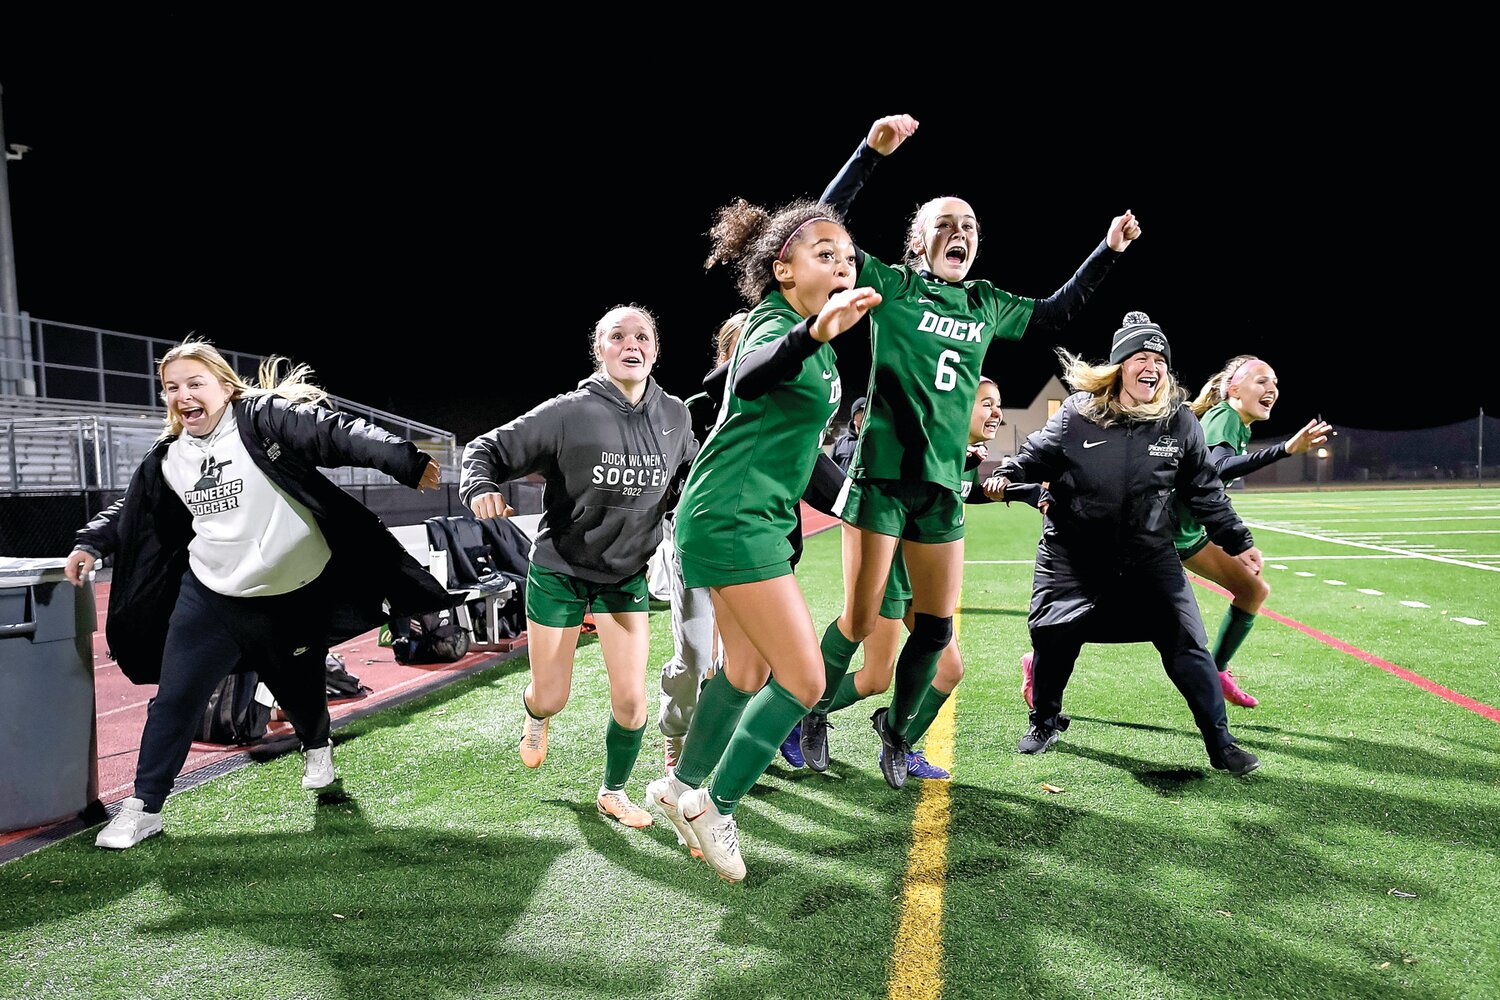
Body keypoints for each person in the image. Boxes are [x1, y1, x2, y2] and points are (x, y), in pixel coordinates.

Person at [800, 114, 1141, 790]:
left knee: (933, 628)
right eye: (947, 224)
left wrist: (1106, 251)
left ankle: (895, 733)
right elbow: (818, 233)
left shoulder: (985, 303)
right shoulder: (891, 286)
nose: (962, 234)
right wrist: (871, 152)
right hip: (882, 479)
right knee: (863, 617)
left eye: (971, 227)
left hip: (939, 487)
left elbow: (1056, 312)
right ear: (918, 240)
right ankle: (810, 712)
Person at [66, 340, 452, 850]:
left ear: (225, 388)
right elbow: (131, 508)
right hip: (211, 594)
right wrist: (91, 542)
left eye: (194, 383)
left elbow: (334, 433)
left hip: (291, 593)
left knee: (299, 690)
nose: (183, 395)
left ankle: (318, 746)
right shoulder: (169, 457)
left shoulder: (262, 420)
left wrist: (401, 458)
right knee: (175, 701)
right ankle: (145, 806)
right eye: (172, 388)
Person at [645, 197, 880, 882]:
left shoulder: (819, 341)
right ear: (784, 271)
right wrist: (813, 332)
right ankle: (712, 805)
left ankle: (675, 783)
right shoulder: (775, 325)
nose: (842, 262)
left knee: (745, 672)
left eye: (847, 255)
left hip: (753, 517)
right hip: (731, 516)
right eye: (824, 254)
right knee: (804, 679)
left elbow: (804, 451)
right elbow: (750, 375)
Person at [985, 313, 1264, 776]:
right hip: (1071, 553)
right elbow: (1034, 455)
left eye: (1159, 360)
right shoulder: (1078, 412)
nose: (1151, 367)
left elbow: (1204, 490)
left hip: (1149, 552)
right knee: (1053, 635)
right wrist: (1008, 474)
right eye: (1140, 358)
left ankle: (1220, 743)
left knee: (1187, 643)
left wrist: (1237, 540)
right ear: (1118, 368)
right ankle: (1045, 721)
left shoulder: (1179, 421)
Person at [461, 305, 698, 829]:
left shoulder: (676, 416)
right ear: (600, 349)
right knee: (553, 695)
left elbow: (691, 476)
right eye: (617, 337)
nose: (630, 344)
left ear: (655, 350)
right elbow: (486, 449)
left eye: (642, 336)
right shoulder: (568, 413)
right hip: (561, 569)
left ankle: (613, 792)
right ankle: (534, 713)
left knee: (634, 705)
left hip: (625, 574)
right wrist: (480, 486)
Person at [821, 376, 1040, 781]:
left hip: (920, 573)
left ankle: (899, 740)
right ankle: (794, 713)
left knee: (949, 669)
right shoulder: (926, 444)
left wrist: (1008, 491)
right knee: (874, 678)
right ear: (958, 408)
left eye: (998, 404)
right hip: (891, 569)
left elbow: (962, 489)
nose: (998, 414)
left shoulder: (961, 452)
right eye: (987, 404)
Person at [1174, 355, 1332, 706]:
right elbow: (1217, 470)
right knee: (1125, 616)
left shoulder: (1238, 424)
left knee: (1253, 589)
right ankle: (1043, 660)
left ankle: (1217, 670)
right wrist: (1286, 449)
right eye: (1261, 381)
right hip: (1160, 535)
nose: (1271, 388)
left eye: (1274, 382)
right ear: (1234, 388)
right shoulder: (1224, 416)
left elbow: (1209, 484)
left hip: (1188, 533)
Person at [655, 313, 746, 781]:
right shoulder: (691, 408)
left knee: (747, 657)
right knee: (694, 656)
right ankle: (677, 733)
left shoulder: (778, 403)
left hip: (750, 545)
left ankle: (733, 740)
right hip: (694, 539)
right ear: (724, 354)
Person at [830, 396, 866, 469]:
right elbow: (830, 468)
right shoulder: (841, 442)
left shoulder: (876, 443)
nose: (863, 416)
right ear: (853, 416)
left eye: (866, 412)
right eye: (859, 412)